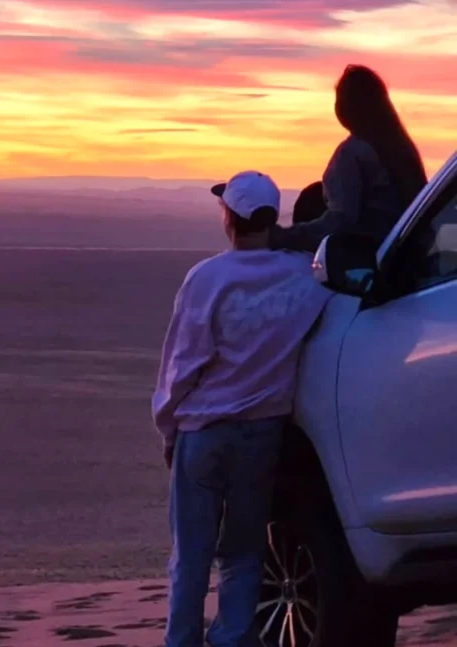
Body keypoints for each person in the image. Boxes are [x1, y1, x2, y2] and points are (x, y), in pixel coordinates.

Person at [153, 170, 333, 647]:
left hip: (204, 431)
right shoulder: (305, 276)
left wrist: (169, 430)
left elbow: (182, 364)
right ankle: (232, 638)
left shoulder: (207, 278)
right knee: (244, 550)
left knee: (191, 555)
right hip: (262, 432)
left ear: (229, 217)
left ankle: (182, 640)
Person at [270, 64, 427, 252]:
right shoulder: (402, 150)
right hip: (408, 258)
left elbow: (340, 221)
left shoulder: (352, 153)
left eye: (338, 100)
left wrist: (284, 237)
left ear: (347, 107)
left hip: (367, 262)